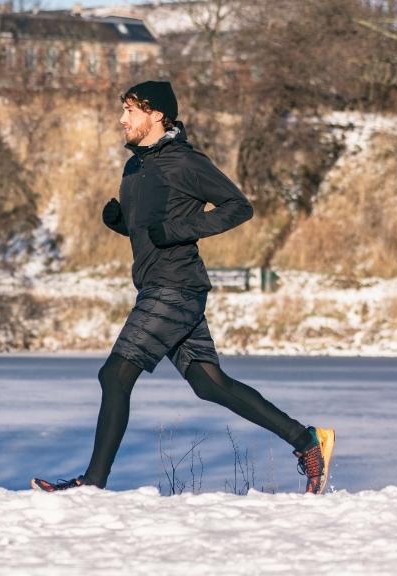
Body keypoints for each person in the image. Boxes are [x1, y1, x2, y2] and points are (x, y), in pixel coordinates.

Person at [31, 81, 334, 495]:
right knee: (210, 384)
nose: (122, 119)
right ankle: (307, 441)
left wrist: (178, 229)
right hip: (160, 286)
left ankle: (93, 483)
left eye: (131, 111)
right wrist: (119, 223)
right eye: (123, 111)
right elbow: (149, 229)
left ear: (156, 115)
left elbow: (238, 207)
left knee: (115, 374)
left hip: (175, 287)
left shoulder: (184, 162)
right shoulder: (136, 166)